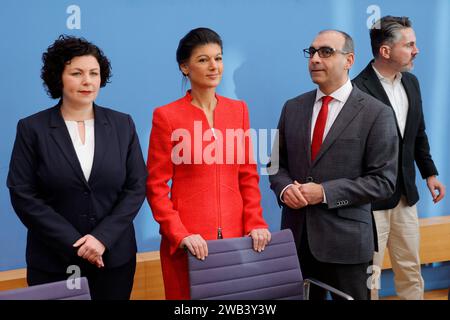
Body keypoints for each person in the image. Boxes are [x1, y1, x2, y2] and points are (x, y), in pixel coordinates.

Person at [7, 35, 147, 300]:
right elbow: (23, 194)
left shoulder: (122, 124)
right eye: (77, 73)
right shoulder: (32, 129)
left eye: (94, 73)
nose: (88, 81)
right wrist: (77, 244)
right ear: (58, 77)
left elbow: (136, 186)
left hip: (113, 259)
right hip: (54, 261)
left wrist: (101, 238)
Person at [268, 30, 399, 300]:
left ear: (349, 60)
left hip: (347, 245)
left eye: (325, 52)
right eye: (312, 52)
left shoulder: (377, 113)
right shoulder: (292, 107)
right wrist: (284, 190)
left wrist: (325, 193)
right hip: (297, 241)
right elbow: (275, 166)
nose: (315, 59)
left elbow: (383, 182)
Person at [146, 27, 271, 300]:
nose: (214, 66)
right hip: (188, 244)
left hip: (236, 241)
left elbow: (248, 176)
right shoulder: (166, 116)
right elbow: (155, 186)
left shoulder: (238, 110)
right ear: (184, 68)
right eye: (203, 60)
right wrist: (179, 234)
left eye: (218, 58)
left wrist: (256, 222)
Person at [353, 16, 446, 300]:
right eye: (409, 45)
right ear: (385, 51)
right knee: (371, 275)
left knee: (410, 269)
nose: (416, 50)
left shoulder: (413, 83)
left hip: (406, 195)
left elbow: (418, 132)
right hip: (371, 201)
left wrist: (429, 173)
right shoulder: (356, 89)